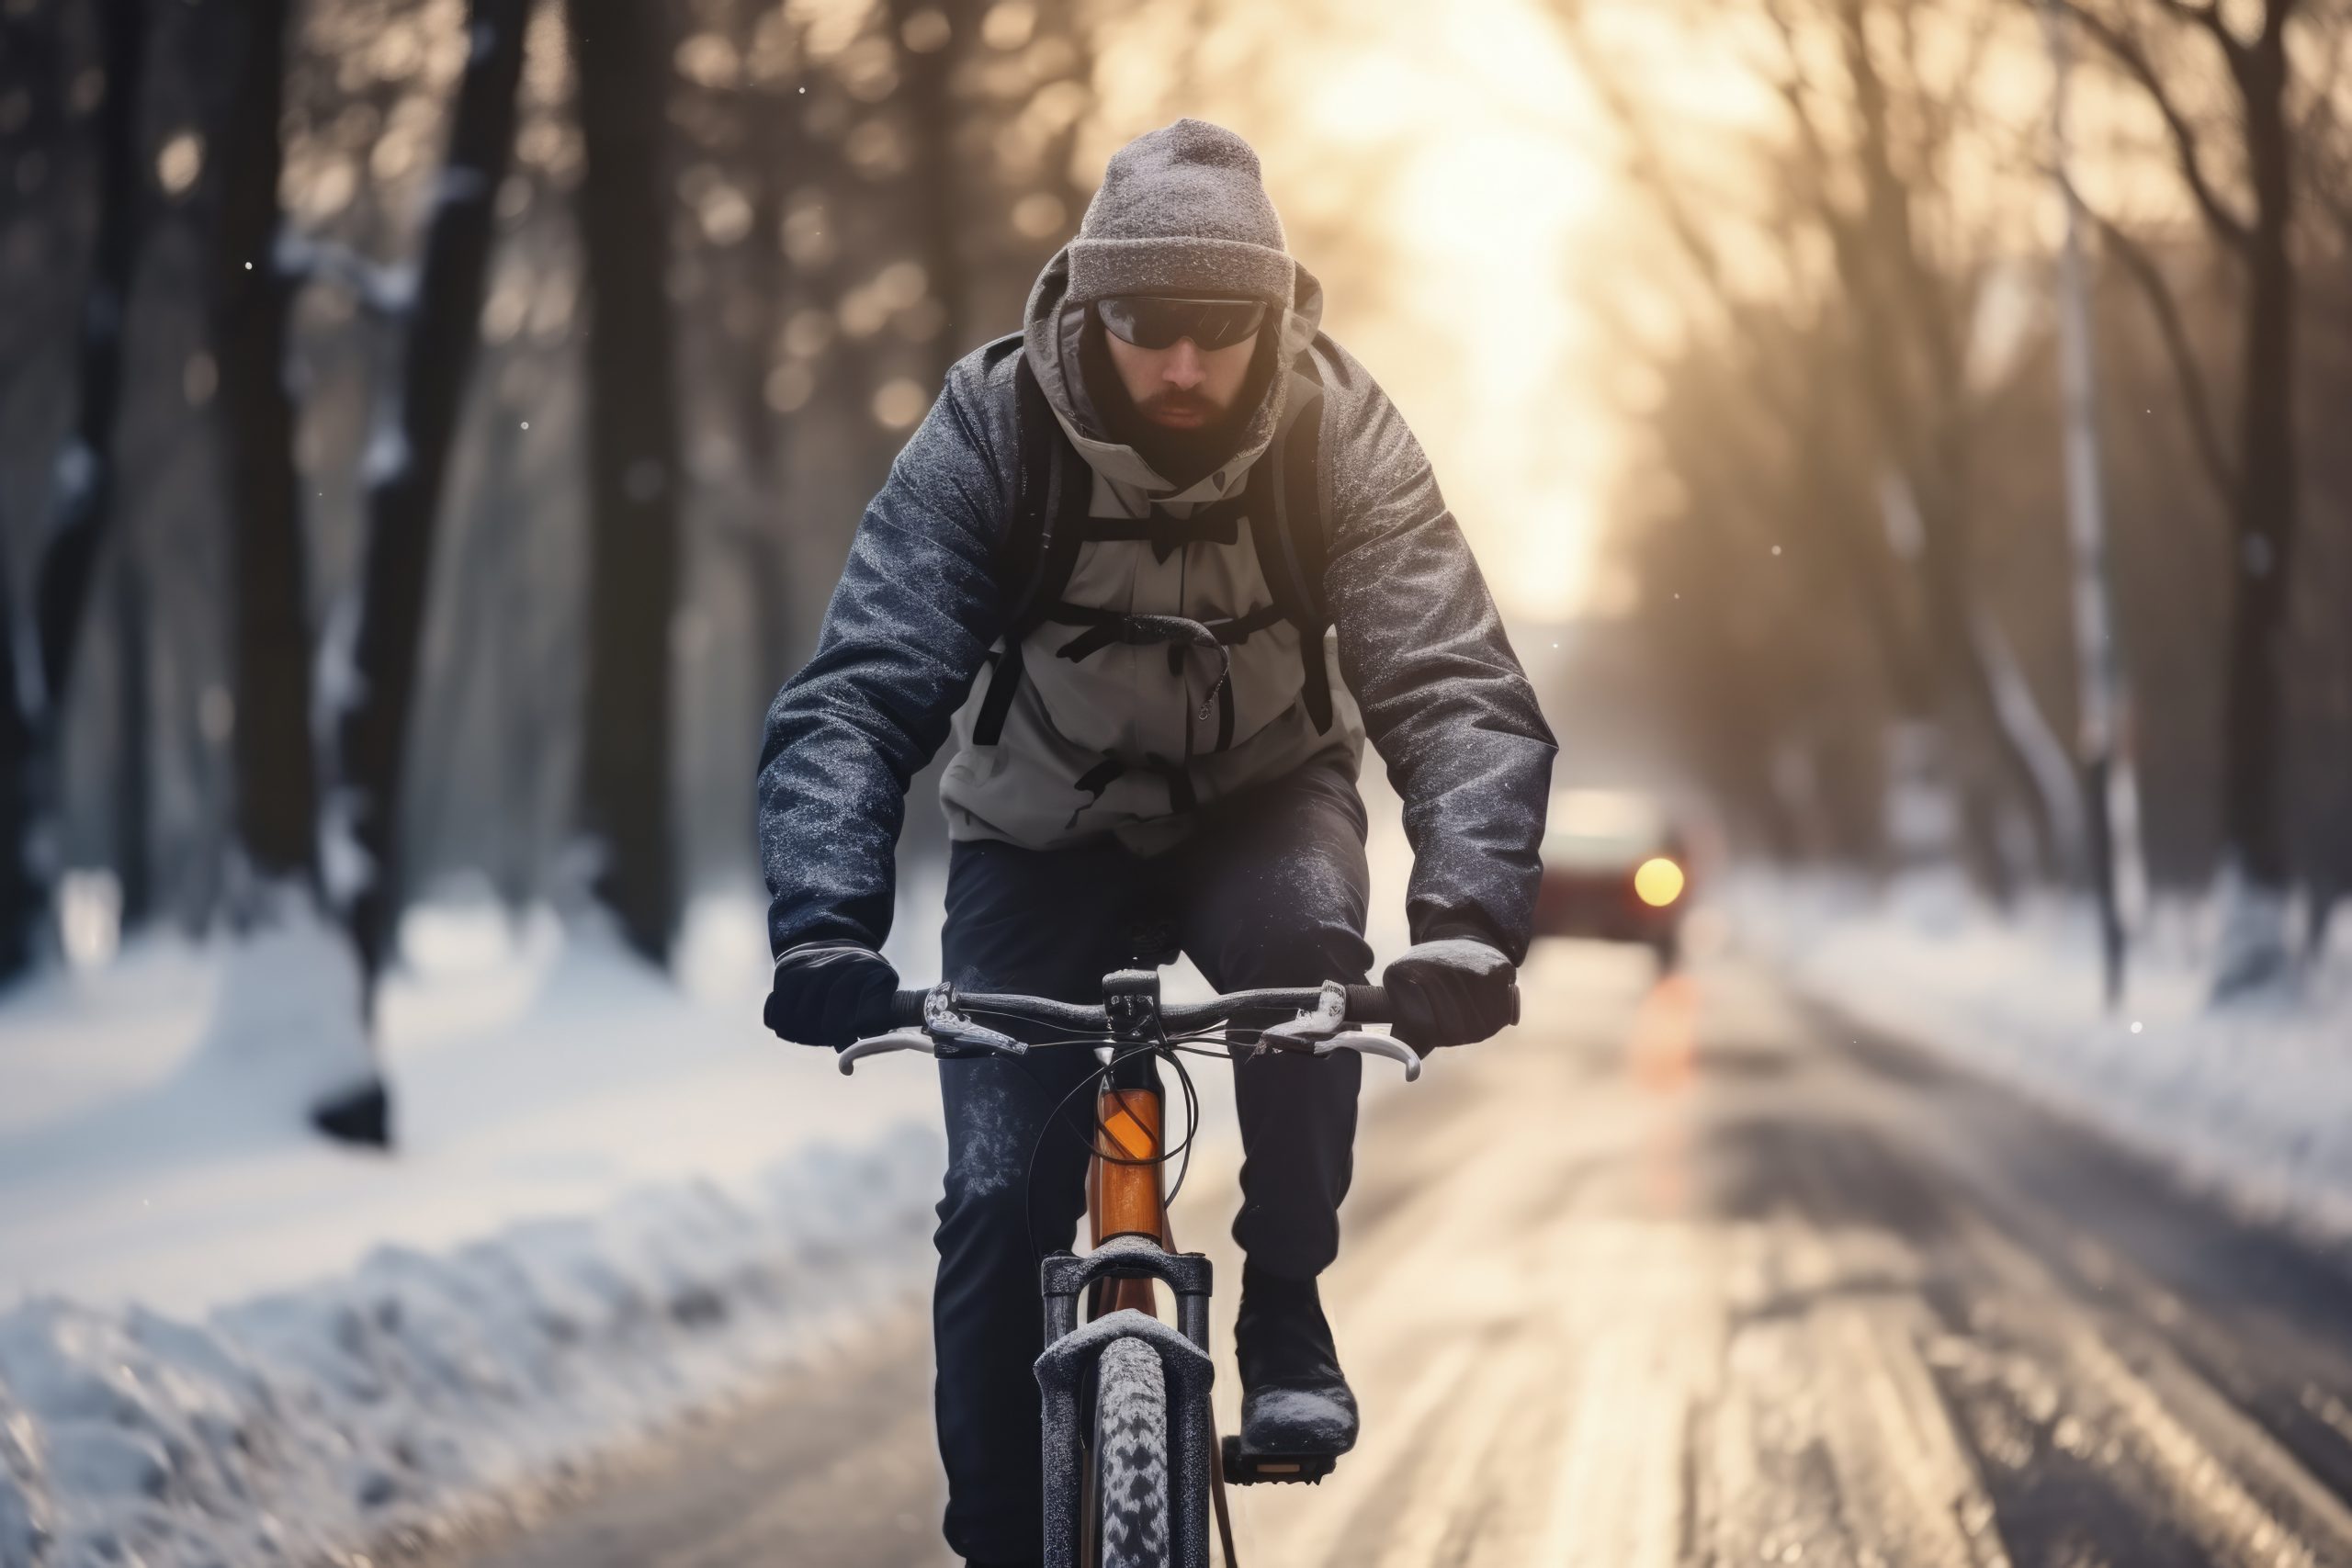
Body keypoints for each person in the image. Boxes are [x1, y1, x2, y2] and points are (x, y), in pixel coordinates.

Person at [758, 118, 1555, 1568]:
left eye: (1220, 332)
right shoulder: (993, 431)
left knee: (1309, 955)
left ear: (1275, 320)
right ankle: (1000, 1540)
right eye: (1146, 329)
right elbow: (862, 689)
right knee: (997, 1189)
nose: (1184, 365)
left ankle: (1286, 1309)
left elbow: (1454, 686)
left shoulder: (1337, 432)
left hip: (1263, 802)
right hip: (1036, 833)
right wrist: (821, 918)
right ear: (1090, 306)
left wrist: (1466, 920)